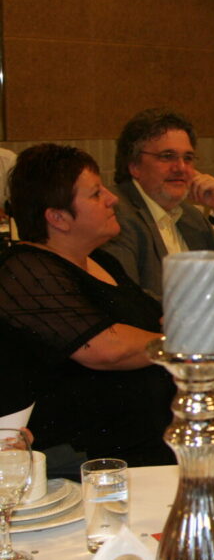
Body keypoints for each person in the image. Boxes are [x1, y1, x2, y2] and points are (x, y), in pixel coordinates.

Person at [0, 144, 175, 466]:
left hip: (147, 438)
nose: (112, 199)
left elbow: (154, 323)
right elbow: (107, 349)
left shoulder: (101, 261)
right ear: (58, 218)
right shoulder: (25, 271)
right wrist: (192, 340)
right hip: (86, 458)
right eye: (96, 194)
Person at [101, 109, 214, 328]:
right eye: (167, 156)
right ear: (134, 165)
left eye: (188, 158)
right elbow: (131, 303)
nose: (181, 168)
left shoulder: (189, 216)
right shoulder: (116, 214)